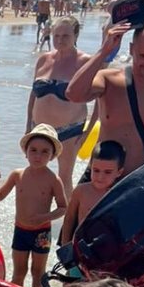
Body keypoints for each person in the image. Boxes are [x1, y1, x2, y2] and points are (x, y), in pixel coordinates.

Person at [66, 17, 144, 174]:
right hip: (99, 180)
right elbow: (74, 94)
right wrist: (104, 51)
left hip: (139, 184)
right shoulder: (109, 80)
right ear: (132, 49)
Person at [0, 123, 68, 287]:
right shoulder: (18, 175)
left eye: (45, 151)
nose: (38, 155)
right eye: (33, 150)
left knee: (38, 272)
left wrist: (43, 217)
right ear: (26, 152)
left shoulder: (53, 180)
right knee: (19, 271)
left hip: (42, 232)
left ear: (52, 156)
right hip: (21, 230)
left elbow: (63, 208)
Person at [26, 16, 94, 197]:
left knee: (64, 178)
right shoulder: (43, 60)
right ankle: (37, 217)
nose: (60, 40)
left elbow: (101, 101)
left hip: (69, 130)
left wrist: (86, 134)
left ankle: (69, 222)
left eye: (65, 35)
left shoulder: (85, 62)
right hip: (39, 129)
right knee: (36, 175)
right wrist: (27, 126)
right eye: (56, 36)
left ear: (76, 35)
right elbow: (33, 94)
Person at [59, 139, 125, 245]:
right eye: (96, 170)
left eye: (108, 172)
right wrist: (65, 244)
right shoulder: (81, 191)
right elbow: (69, 218)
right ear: (90, 167)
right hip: (82, 246)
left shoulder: (120, 195)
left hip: (109, 249)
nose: (100, 177)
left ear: (119, 172)